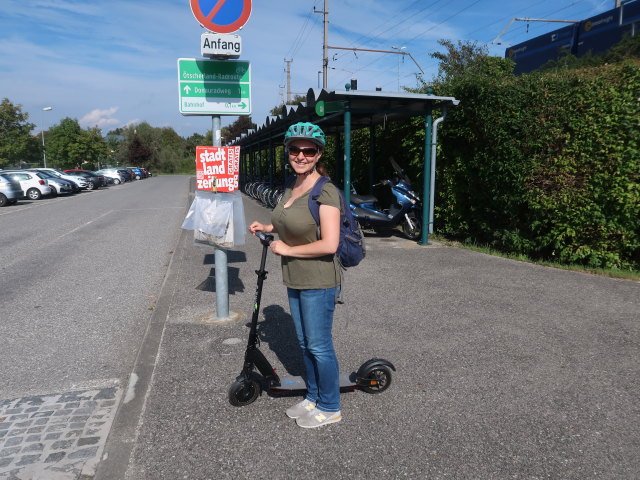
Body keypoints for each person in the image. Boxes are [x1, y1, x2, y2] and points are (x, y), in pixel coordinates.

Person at [248, 122, 343, 429]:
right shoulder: (292, 185)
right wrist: (267, 227)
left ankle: (330, 406)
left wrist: (287, 251)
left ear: (318, 154)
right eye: (295, 149)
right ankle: (314, 396)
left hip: (319, 280)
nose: (301, 155)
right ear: (287, 151)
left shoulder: (325, 190)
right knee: (304, 344)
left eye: (308, 150)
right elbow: (289, 220)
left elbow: (330, 243)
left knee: (318, 345)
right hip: (296, 278)